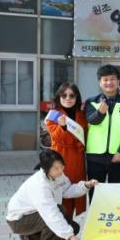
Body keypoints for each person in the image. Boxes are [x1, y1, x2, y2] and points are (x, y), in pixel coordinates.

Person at [6, 150, 98, 240]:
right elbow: (51, 215)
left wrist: (86, 185)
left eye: (61, 166)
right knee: (59, 213)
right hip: (19, 220)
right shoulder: (40, 186)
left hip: (32, 215)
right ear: (46, 169)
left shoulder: (58, 176)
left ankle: (31, 238)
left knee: (74, 227)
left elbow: (67, 189)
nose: (60, 171)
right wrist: (70, 236)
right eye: (56, 168)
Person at [84, 65, 120, 185]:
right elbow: (91, 120)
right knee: (95, 192)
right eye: (105, 79)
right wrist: (100, 113)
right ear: (100, 82)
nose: (109, 82)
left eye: (112, 79)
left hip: (118, 157)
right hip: (95, 157)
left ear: (118, 82)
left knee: (117, 193)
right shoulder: (91, 102)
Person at [46, 83, 88, 216]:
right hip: (60, 156)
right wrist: (62, 127)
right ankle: (61, 223)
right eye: (64, 95)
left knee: (76, 188)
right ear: (59, 97)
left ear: (76, 97)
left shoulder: (81, 114)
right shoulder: (53, 115)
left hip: (77, 157)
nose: (68, 98)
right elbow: (55, 137)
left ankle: (70, 222)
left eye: (71, 95)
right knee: (60, 190)